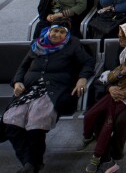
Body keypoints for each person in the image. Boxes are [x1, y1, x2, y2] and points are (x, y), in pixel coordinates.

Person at [7, 25, 95, 173]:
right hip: (29, 90)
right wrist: (17, 82)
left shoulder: (72, 45)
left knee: (36, 125)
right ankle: (30, 163)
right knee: (11, 124)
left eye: (62, 32)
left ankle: (32, 164)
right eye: (55, 31)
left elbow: (88, 62)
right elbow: (22, 67)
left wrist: (82, 78)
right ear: (49, 32)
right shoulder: (37, 45)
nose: (57, 34)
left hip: (55, 90)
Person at [81, 45, 126, 172]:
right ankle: (87, 136)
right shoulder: (124, 65)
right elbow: (110, 77)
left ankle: (96, 157)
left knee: (107, 125)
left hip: (122, 101)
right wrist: (120, 73)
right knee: (90, 114)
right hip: (110, 96)